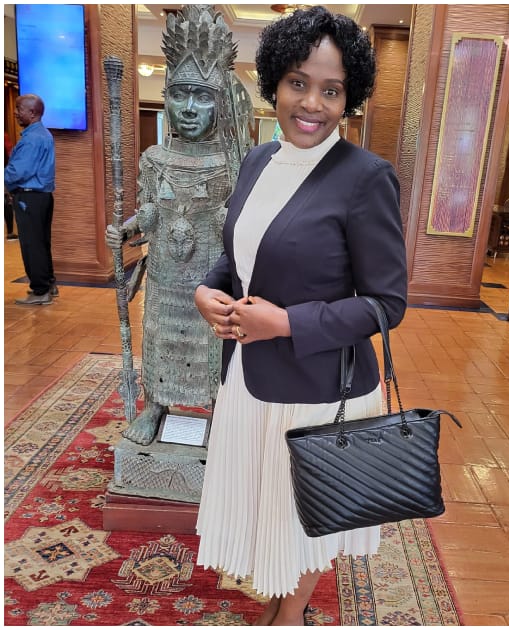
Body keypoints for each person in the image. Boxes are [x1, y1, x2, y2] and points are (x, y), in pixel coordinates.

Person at [192, 7, 406, 624]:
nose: (311, 103)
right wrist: (209, 290)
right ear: (274, 84)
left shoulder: (366, 179)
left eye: (331, 90)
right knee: (268, 505)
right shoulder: (259, 162)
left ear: (350, 97)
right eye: (297, 82)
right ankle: (278, 597)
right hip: (250, 375)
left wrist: (286, 323)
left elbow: (387, 304)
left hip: (319, 388)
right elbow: (239, 256)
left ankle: (290, 617)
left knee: (307, 513)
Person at [105, 4, 252, 445]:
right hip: (166, 275)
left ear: (220, 101)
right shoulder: (154, 159)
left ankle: (213, 409)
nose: (189, 107)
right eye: (180, 94)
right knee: (159, 337)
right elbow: (151, 211)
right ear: (166, 96)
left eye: (203, 96)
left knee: (209, 344)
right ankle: (155, 406)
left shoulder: (233, 162)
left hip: (210, 277)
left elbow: (238, 219)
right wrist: (127, 229)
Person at [5, 94, 57, 305]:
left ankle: (40, 291)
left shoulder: (33, 138)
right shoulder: (42, 134)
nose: (16, 112)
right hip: (42, 197)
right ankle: (48, 285)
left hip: (30, 197)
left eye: (19, 108)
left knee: (32, 245)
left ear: (32, 113)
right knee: (41, 243)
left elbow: (18, 171)